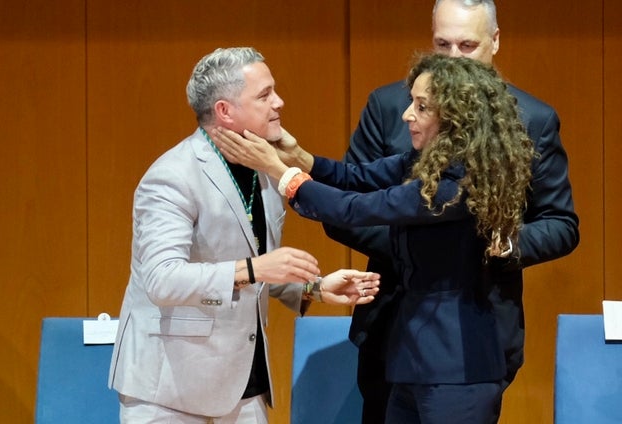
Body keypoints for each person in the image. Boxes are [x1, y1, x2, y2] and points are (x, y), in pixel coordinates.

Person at [213, 53, 540, 423]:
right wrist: (298, 157)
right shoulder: (424, 162)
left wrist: (277, 170)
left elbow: (354, 209)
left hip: (457, 369)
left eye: (421, 106)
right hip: (413, 362)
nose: (406, 115)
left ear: (454, 117)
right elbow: (356, 178)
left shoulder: (459, 182)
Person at [325, 0, 580, 422]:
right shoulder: (390, 107)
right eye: (443, 45)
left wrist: (501, 243)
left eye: (467, 45)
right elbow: (343, 207)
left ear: (495, 42)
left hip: (477, 330)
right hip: (390, 323)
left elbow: (561, 223)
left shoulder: (532, 118)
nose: (454, 59)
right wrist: (425, 245)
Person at [107, 47, 380, 423]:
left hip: (243, 384)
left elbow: (257, 271)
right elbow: (162, 279)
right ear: (225, 111)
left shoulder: (265, 169)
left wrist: (313, 287)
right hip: (169, 391)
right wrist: (255, 268)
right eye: (265, 95)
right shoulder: (172, 176)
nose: (279, 103)